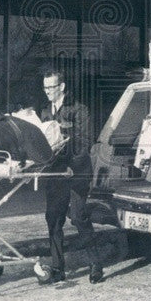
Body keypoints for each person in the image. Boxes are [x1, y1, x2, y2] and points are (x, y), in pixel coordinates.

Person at [36, 66, 103, 285]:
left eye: (51, 87)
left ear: (62, 86)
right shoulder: (45, 112)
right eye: (45, 87)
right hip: (55, 174)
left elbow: (84, 143)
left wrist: (72, 166)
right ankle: (58, 268)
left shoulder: (79, 110)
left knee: (78, 217)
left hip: (76, 173)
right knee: (53, 220)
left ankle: (95, 265)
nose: (47, 91)